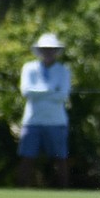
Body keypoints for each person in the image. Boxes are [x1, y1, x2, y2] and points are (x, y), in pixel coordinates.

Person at [17, 32, 72, 187]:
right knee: (27, 158)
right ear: (39, 51)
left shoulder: (63, 70)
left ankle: (65, 194)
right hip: (32, 121)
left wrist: (40, 92)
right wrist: (51, 90)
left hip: (57, 122)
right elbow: (26, 92)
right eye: (45, 49)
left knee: (60, 159)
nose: (48, 52)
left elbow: (62, 96)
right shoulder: (29, 68)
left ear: (56, 51)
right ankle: (20, 193)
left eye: (51, 49)